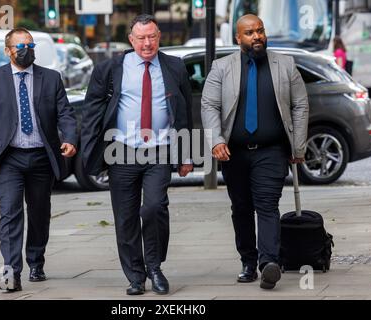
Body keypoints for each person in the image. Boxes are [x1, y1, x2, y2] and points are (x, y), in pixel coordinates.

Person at [80, 14, 193, 295]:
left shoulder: (174, 66)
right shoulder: (109, 69)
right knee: (125, 216)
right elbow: (92, 109)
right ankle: (135, 276)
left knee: (154, 207)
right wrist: (89, 149)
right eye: (141, 37)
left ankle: (155, 267)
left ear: (159, 37)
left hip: (160, 150)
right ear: (131, 40)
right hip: (122, 151)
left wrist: (186, 154)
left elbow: (184, 113)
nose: (147, 43)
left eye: (152, 36)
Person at [201, 14, 309, 290]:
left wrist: (298, 145)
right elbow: (209, 105)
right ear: (238, 38)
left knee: (267, 204)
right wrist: (216, 141)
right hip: (233, 153)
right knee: (241, 208)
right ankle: (248, 262)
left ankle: (268, 263)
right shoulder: (221, 67)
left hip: (271, 150)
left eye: (260, 30)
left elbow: (300, 104)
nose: (257, 36)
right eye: (249, 32)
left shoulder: (285, 64)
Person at [0, 28, 77, 292]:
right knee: (10, 213)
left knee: (40, 213)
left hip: (42, 156)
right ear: (7, 50)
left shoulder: (51, 78)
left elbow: (65, 113)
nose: (26, 50)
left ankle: (36, 261)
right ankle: (11, 271)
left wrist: (69, 138)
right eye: (20, 46)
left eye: (30, 46)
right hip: (8, 158)